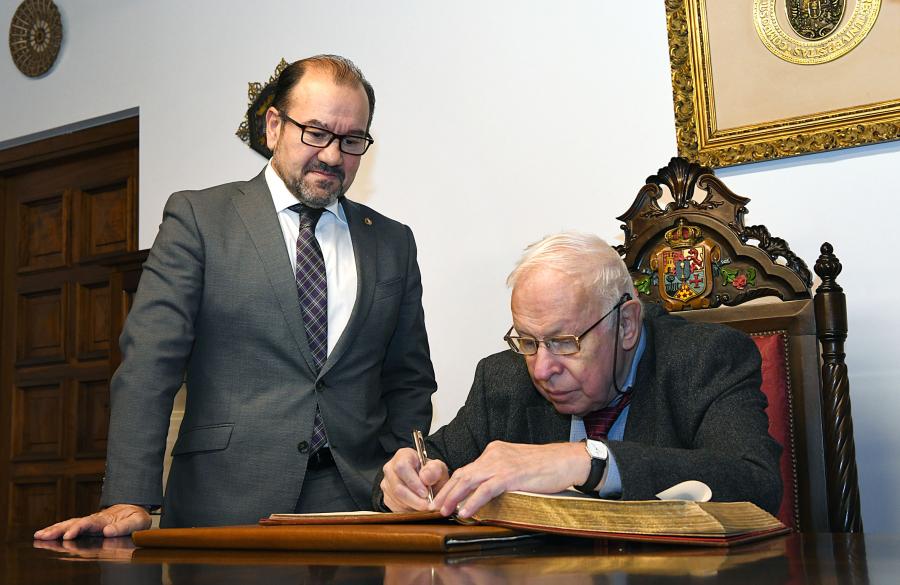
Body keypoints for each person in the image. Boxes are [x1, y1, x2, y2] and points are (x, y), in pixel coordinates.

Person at [36, 54, 436, 539]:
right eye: (316, 132)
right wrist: (129, 494)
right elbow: (150, 365)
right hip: (224, 505)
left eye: (352, 141)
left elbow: (409, 380)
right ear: (273, 127)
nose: (333, 155)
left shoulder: (393, 242)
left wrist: (398, 469)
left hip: (361, 510)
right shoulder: (199, 219)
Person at [377, 232, 781, 519]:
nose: (541, 368)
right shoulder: (503, 378)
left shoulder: (704, 359)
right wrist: (408, 478)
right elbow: (436, 461)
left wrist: (588, 461)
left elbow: (755, 484)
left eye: (563, 341)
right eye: (528, 341)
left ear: (625, 325)